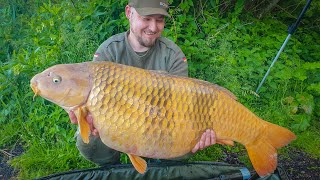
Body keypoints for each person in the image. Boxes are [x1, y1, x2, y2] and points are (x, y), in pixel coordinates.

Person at [68, 0, 217, 166]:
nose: (153, 28)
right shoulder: (109, 51)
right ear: (128, 13)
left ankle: (161, 165)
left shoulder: (173, 55)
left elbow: (181, 110)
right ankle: (113, 168)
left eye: (159, 20)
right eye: (146, 18)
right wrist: (87, 115)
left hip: (160, 122)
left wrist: (198, 132)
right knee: (89, 139)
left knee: (186, 139)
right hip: (118, 123)